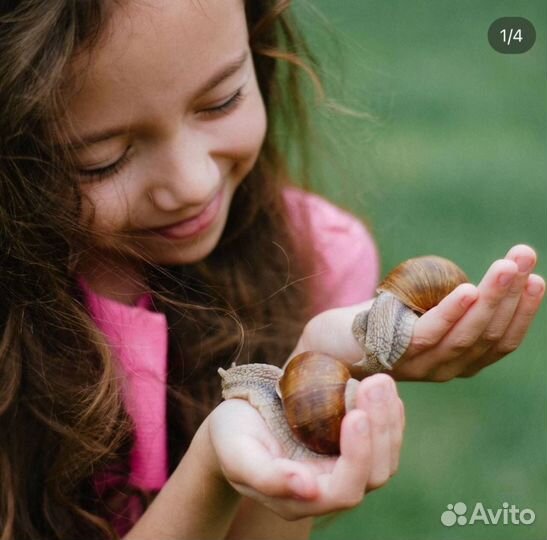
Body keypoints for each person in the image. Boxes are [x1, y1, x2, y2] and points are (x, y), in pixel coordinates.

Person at [0, 1, 543, 539]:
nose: (191, 185)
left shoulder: (318, 260)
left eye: (221, 101)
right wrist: (210, 470)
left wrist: (316, 364)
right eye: (104, 159)